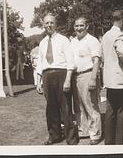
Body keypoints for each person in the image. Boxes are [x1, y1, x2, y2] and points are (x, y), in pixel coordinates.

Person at [36, 13, 79, 145]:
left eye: (51, 22)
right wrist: (38, 81)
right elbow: (40, 63)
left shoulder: (63, 40)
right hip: (47, 76)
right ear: (43, 25)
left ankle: (71, 138)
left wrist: (67, 80)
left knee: (66, 108)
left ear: (56, 24)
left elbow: (70, 61)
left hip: (62, 74)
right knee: (51, 108)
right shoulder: (42, 43)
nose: (49, 25)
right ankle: (54, 136)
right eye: (47, 23)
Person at [101, 10, 123, 145]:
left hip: (109, 79)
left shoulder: (106, 35)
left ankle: (109, 141)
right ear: (122, 20)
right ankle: (122, 143)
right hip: (120, 78)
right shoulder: (120, 34)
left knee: (111, 111)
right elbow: (121, 52)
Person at [70, 17, 102, 145]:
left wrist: (93, 78)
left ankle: (95, 134)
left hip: (88, 75)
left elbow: (97, 61)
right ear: (74, 27)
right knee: (79, 106)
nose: (79, 28)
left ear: (87, 26)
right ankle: (84, 131)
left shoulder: (92, 41)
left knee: (91, 105)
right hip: (75, 76)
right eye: (77, 26)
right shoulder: (73, 42)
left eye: (81, 25)